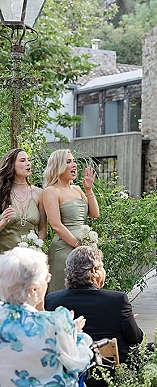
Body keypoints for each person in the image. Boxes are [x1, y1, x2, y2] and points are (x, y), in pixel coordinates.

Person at [0, 247, 93, 386]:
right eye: (47, 278)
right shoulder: (55, 323)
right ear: (34, 289)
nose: (48, 282)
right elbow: (77, 363)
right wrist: (75, 334)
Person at [45, 246, 143, 364]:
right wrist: (130, 321)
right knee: (153, 348)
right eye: (102, 267)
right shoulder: (117, 300)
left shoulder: (52, 300)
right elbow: (136, 339)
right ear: (94, 271)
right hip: (109, 371)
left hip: (70, 369)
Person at [43, 149, 99, 292]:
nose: (74, 164)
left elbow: (95, 213)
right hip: (64, 249)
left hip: (83, 250)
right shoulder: (51, 191)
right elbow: (55, 225)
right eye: (68, 162)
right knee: (62, 292)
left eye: (74, 161)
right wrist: (78, 245)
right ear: (58, 166)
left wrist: (88, 189)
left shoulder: (77, 189)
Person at [0, 148, 47, 253]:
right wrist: (4, 222)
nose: (28, 163)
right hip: (3, 259)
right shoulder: (2, 192)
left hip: (29, 259)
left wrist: (36, 247)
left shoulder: (39, 193)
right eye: (22, 160)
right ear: (12, 165)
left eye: (28, 160)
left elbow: (42, 229)